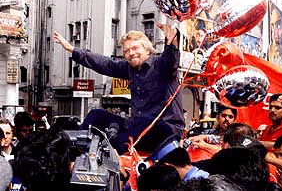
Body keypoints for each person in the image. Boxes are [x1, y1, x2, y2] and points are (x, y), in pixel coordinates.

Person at [53, 24, 184, 154]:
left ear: (148, 49)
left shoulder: (162, 65)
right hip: (138, 126)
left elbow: (171, 60)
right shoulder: (129, 68)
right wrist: (72, 49)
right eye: (126, 51)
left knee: (140, 122)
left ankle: (116, 156)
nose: (131, 53)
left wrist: (171, 42)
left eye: (135, 48)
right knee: (96, 114)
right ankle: (74, 155)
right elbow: (105, 63)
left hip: (166, 128)